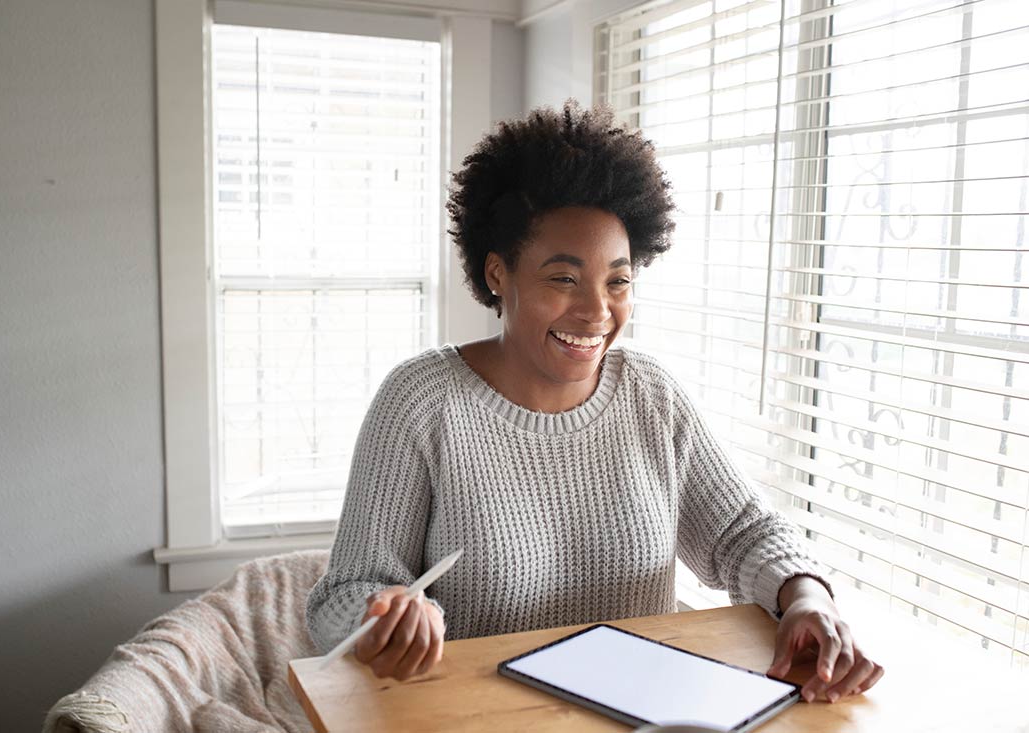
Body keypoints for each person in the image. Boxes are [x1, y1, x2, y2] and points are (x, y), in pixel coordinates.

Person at [306, 101, 883, 704]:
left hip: (642, 714)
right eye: (563, 279)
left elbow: (744, 533)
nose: (596, 311)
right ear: (498, 273)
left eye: (618, 280)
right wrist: (382, 615)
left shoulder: (651, 395)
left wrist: (806, 597)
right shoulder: (423, 402)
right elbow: (341, 596)